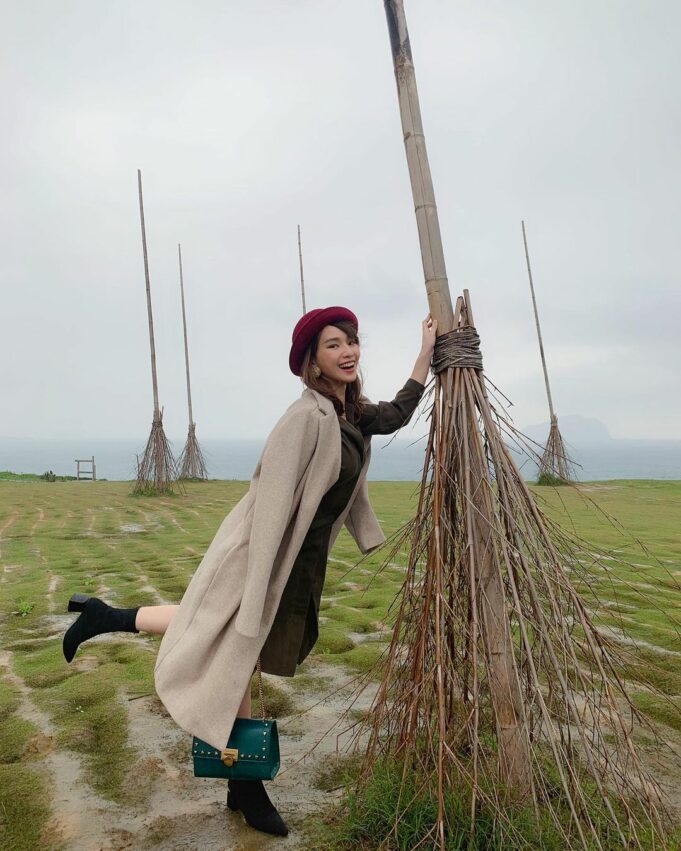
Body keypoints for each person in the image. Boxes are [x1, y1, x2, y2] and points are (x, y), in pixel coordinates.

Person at [62, 305, 436, 837]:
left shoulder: (347, 413)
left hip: (297, 556)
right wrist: (259, 578)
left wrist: (425, 354)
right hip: (261, 552)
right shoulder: (303, 417)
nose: (347, 351)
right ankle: (247, 785)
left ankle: (104, 616)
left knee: (223, 631)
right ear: (312, 361)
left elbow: (397, 414)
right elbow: (271, 499)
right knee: (236, 645)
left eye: (351, 341)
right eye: (332, 345)